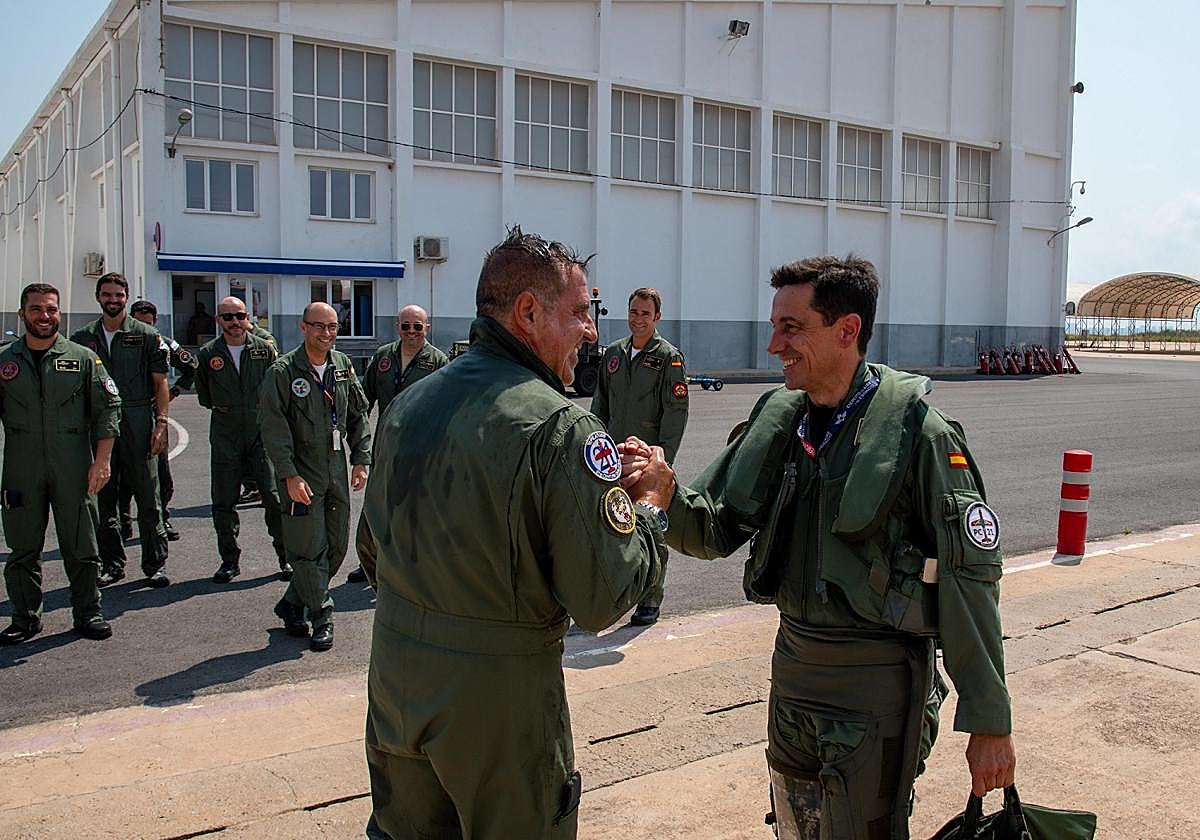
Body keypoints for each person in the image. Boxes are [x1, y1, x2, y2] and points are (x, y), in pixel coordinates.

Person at [621, 255, 1016, 839]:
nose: (774, 345)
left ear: (847, 330)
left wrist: (989, 721)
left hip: (875, 690)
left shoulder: (922, 436)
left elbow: (969, 578)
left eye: (792, 328)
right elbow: (713, 529)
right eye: (774, 326)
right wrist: (665, 493)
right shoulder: (783, 423)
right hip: (793, 681)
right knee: (794, 828)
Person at [360, 227, 666, 840]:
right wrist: (651, 507)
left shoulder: (408, 404)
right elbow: (602, 597)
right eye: (578, 312)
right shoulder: (562, 428)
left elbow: (372, 553)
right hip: (499, 705)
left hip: (395, 683)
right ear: (528, 312)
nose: (590, 331)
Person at [0, 283, 122, 644]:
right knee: (22, 547)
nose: (44, 316)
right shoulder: (5, 361)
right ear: (21, 314)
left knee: (81, 544)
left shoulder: (83, 359)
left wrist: (102, 462)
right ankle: (25, 617)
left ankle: (88, 612)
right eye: (36, 309)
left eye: (51, 309)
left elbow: (107, 411)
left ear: (59, 313)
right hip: (21, 466)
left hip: (73, 465)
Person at [259, 302, 371, 651]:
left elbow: (358, 414)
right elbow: (274, 429)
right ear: (303, 327)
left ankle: (291, 603)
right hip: (301, 471)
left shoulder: (342, 366)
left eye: (333, 327)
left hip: (335, 467)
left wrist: (361, 459)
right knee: (308, 551)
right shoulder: (282, 372)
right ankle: (322, 617)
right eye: (319, 326)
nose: (326, 333)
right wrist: (289, 475)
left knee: (336, 547)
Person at [590, 287, 688, 625]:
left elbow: (676, 412)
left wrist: (662, 462)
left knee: (650, 529)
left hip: (647, 460)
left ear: (657, 317)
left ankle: (650, 599)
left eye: (645, 313)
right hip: (613, 457)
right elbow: (600, 404)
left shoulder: (668, 358)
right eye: (634, 312)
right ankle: (610, 598)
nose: (638, 319)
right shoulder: (614, 354)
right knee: (608, 526)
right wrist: (595, 449)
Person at [70, 273, 172, 588]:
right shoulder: (82, 338)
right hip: (99, 422)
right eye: (107, 294)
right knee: (104, 496)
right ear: (98, 297)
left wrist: (161, 423)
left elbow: (160, 382)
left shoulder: (146, 334)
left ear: (126, 297)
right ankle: (112, 564)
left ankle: (154, 564)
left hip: (137, 417)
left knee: (148, 494)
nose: (113, 300)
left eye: (118, 295)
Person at [346, 304, 449, 584]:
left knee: (414, 507)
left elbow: (446, 409)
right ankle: (369, 559)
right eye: (406, 326)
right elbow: (363, 401)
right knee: (375, 503)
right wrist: (359, 441)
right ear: (397, 327)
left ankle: (410, 563)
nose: (411, 331)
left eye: (417, 326)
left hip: (419, 449)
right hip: (384, 445)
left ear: (427, 328)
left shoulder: (438, 362)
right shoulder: (383, 357)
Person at [194, 297, 291, 584]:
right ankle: (229, 560)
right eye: (228, 317)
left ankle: (286, 556)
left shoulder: (265, 350)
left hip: (261, 432)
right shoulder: (208, 354)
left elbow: (277, 389)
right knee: (224, 500)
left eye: (240, 315)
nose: (235, 322)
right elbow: (204, 396)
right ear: (218, 320)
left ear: (248, 317)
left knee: (273, 498)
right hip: (226, 433)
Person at [118, 299, 195, 542]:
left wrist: (174, 392)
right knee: (122, 474)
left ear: (155, 322)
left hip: (153, 416)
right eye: (139, 322)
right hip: (123, 414)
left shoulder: (165, 344)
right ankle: (123, 522)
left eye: (148, 323)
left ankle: (162, 518)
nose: (144, 328)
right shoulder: (118, 342)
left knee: (160, 474)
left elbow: (191, 366)